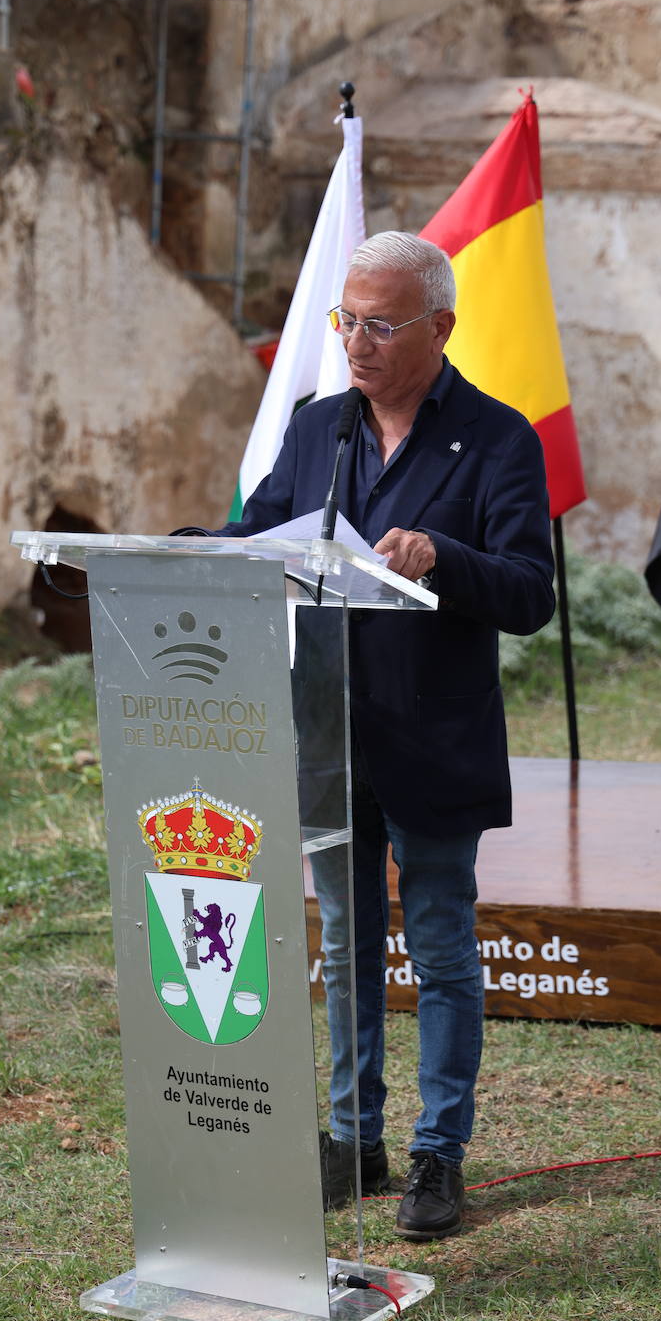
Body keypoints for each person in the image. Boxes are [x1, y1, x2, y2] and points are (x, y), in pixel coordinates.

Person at [178, 231, 555, 1239]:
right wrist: (178, 557)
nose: (356, 341)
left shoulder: (499, 437)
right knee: (345, 946)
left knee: (438, 952)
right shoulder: (316, 430)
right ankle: (354, 1138)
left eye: (381, 324)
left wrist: (446, 554)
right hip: (328, 733)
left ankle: (439, 1154)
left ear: (440, 326)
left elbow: (530, 595)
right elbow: (262, 537)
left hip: (435, 741)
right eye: (348, 319)